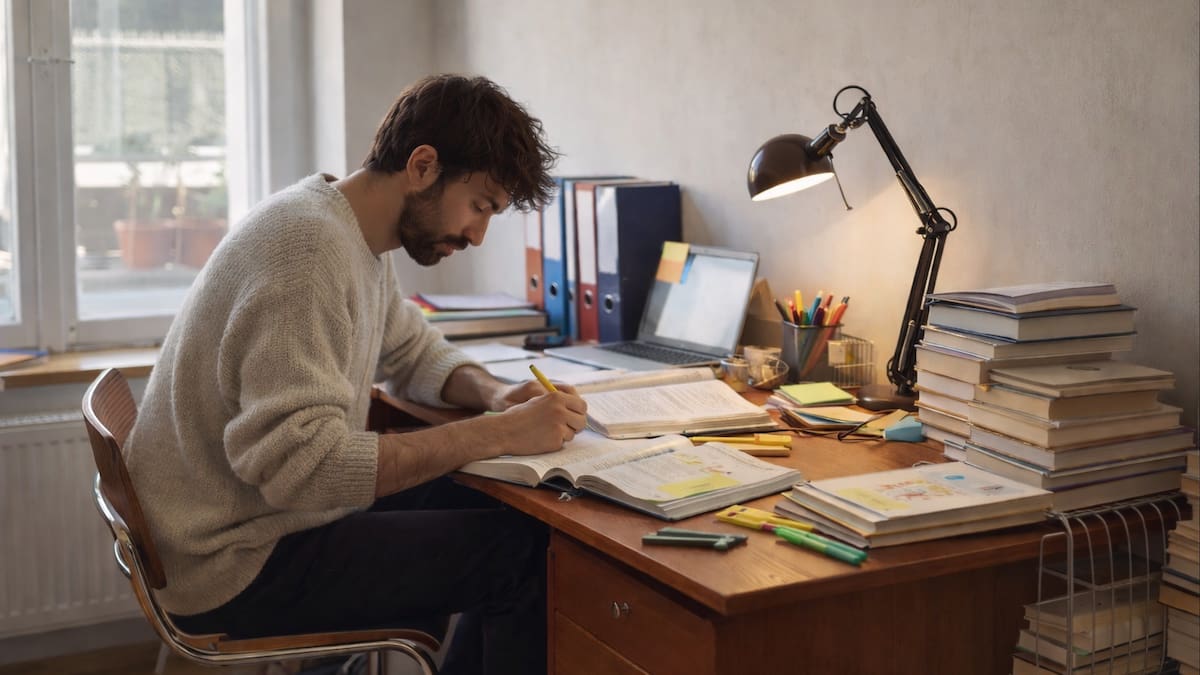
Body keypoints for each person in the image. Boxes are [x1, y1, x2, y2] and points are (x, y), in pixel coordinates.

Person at [124, 74, 586, 674]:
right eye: (480, 206)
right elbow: (302, 470)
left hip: (248, 525)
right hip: (235, 561)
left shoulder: (347, 233)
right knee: (525, 558)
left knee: (500, 507)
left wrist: (496, 395)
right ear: (422, 166)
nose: (478, 234)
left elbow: (411, 352)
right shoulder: (309, 251)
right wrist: (496, 435)